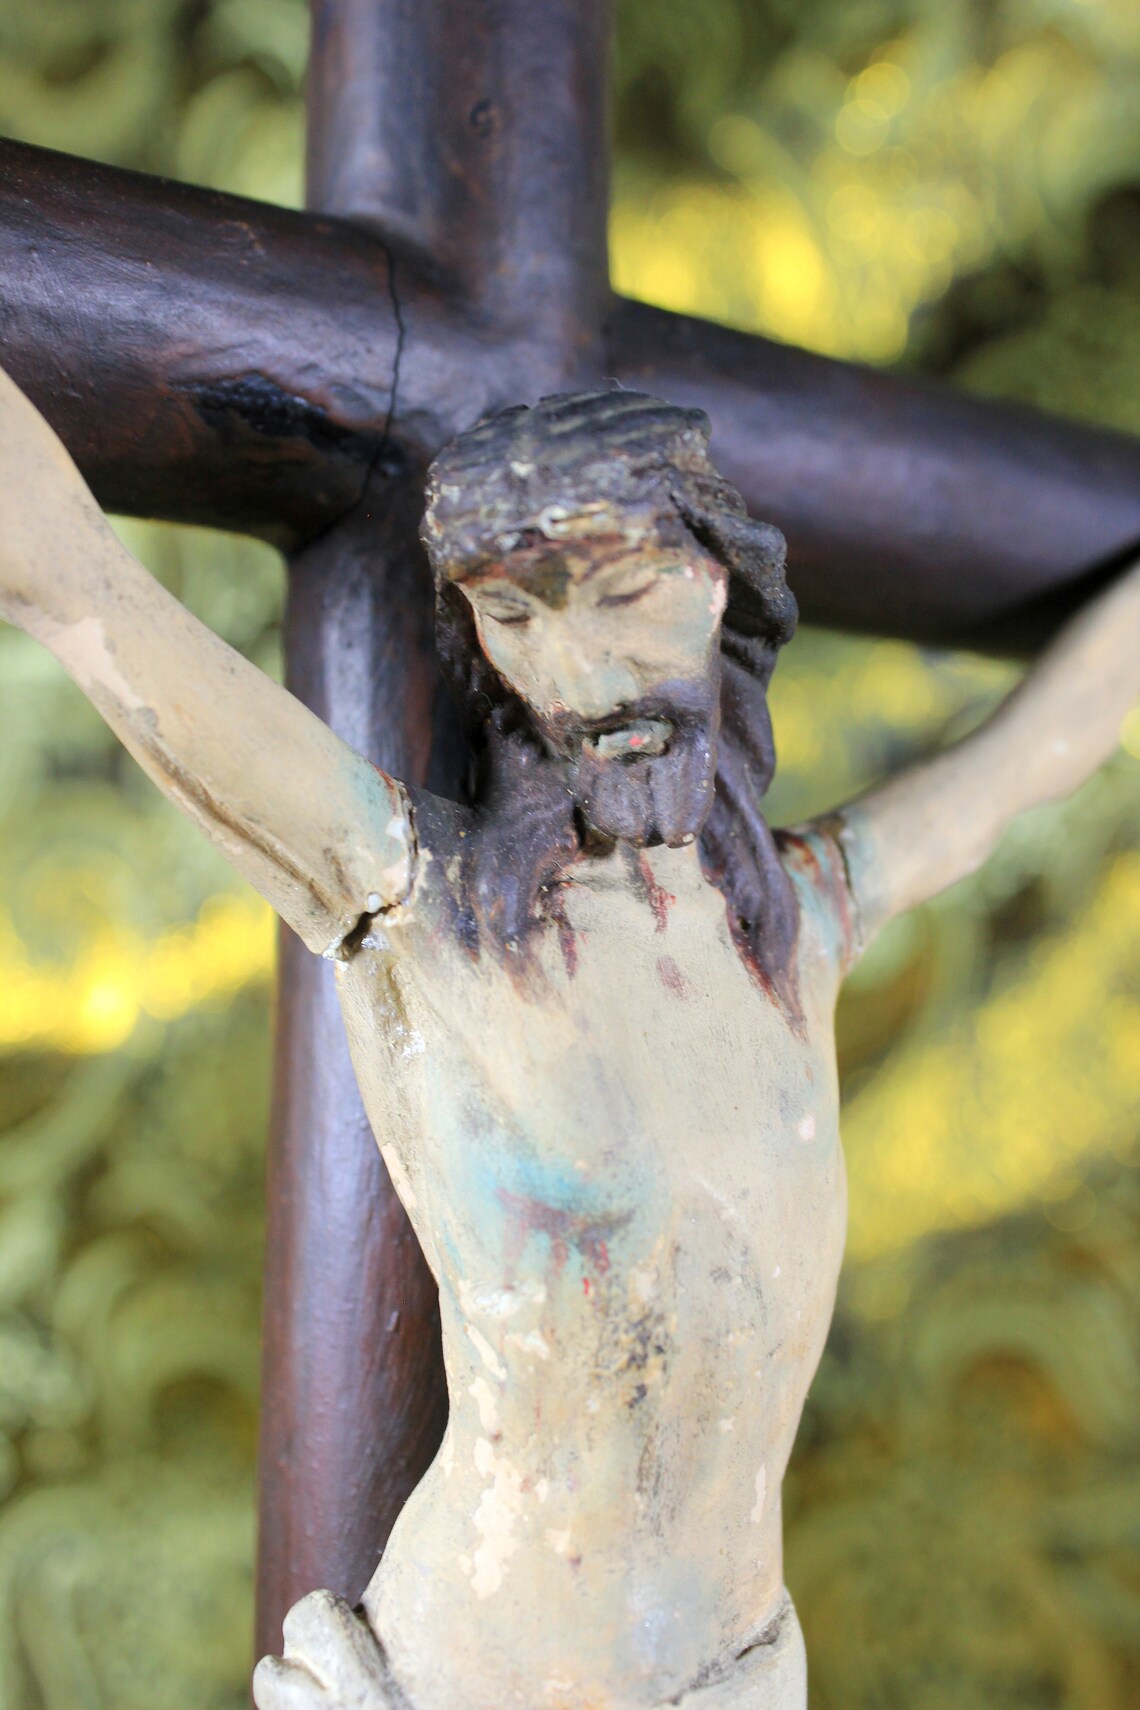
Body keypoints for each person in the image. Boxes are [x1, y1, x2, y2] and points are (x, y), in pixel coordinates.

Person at [1, 375, 1136, 1710]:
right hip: (474, 1676)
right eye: (514, 614)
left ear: (719, 582)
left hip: (743, 1674)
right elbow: (79, 589)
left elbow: (1041, 747)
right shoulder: (422, 908)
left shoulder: (794, 925)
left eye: (626, 592)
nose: (581, 675)